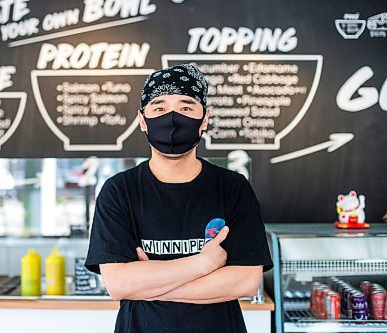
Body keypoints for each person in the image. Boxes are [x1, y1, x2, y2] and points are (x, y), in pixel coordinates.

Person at [85, 64, 274, 333]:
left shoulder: (233, 187)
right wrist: (203, 263)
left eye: (186, 107)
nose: (172, 117)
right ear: (142, 120)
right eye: (159, 107)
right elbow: (119, 284)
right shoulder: (119, 190)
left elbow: (245, 282)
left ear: (204, 119)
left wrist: (150, 283)